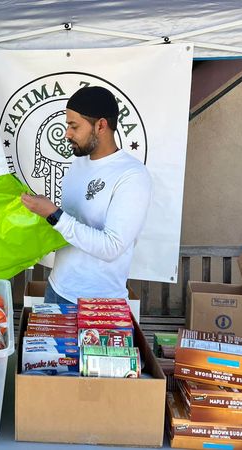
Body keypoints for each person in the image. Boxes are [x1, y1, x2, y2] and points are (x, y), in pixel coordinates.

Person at [21, 86, 152, 303]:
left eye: (74, 126)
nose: (67, 134)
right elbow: (70, 226)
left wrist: (54, 214)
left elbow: (112, 247)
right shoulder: (78, 165)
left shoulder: (132, 175)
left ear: (101, 125)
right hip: (56, 288)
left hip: (98, 303)